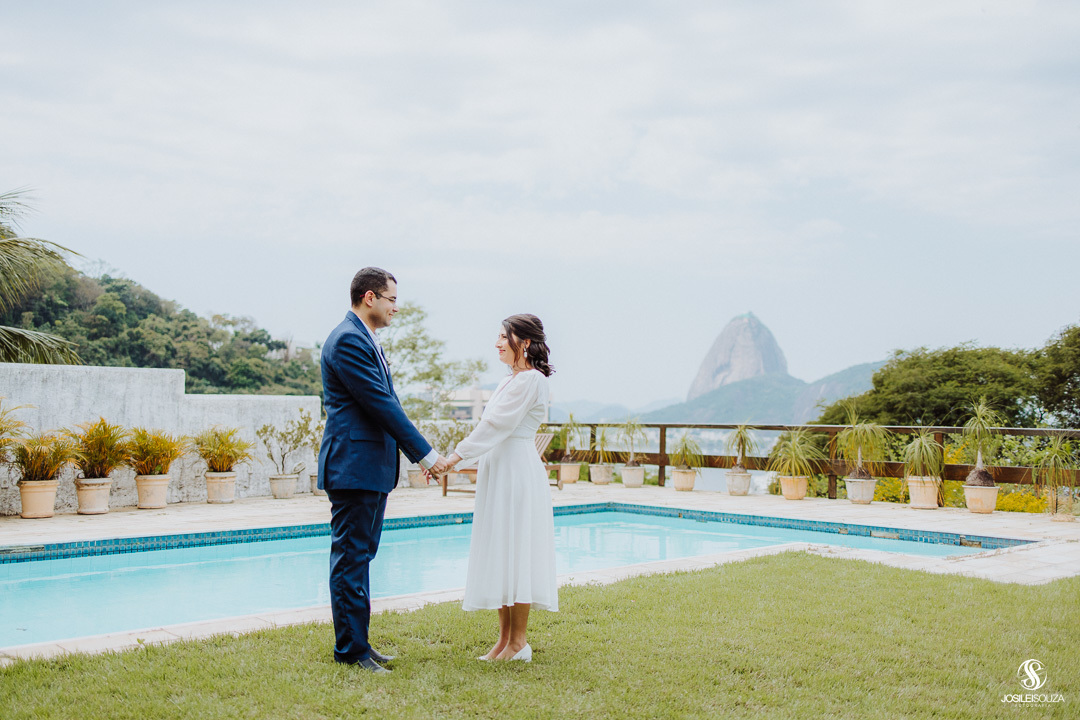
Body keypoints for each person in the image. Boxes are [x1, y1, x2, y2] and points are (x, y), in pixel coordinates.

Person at [318, 266, 450, 674]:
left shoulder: (364, 338)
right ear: (369, 297)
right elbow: (381, 403)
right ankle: (350, 652)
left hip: (369, 467)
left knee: (361, 556)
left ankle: (359, 643)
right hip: (353, 466)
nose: (397, 307)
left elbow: (384, 403)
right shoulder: (348, 341)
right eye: (392, 299)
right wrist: (427, 455)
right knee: (351, 558)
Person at [438, 313, 558, 662]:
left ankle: (519, 643)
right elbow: (492, 426)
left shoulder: (532, 381)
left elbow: (495, 424)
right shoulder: (510, 380)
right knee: (504, 549)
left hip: (517, 470)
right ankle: (504, 640)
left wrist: (453, 458)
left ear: (523, 341)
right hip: (499, 468)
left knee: (517, 549)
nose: (496, 343)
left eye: (503, 336)